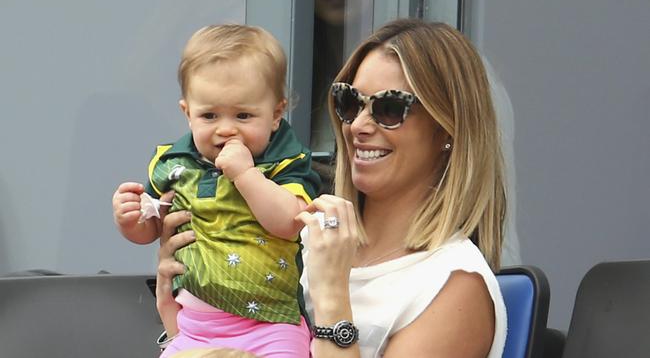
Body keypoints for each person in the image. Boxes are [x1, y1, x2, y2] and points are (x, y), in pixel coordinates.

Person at [158, 19, 507, 357]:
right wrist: (177, 322)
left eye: (389, 108)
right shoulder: (303, 234)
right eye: (350, 103)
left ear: (447, 129)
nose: (358, 125)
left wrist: (331, 296)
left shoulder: (453, 285)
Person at [111, 24, 320, 357]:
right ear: (187, 113)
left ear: (277, 114)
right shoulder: (174, 162)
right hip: (193, 328)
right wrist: (131, 219)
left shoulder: (285, 161)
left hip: (269, 327)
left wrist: (247, 175)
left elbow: (290, 221)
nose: (225, 128)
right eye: (209, 115)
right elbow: (151, 228)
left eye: (243, 115)